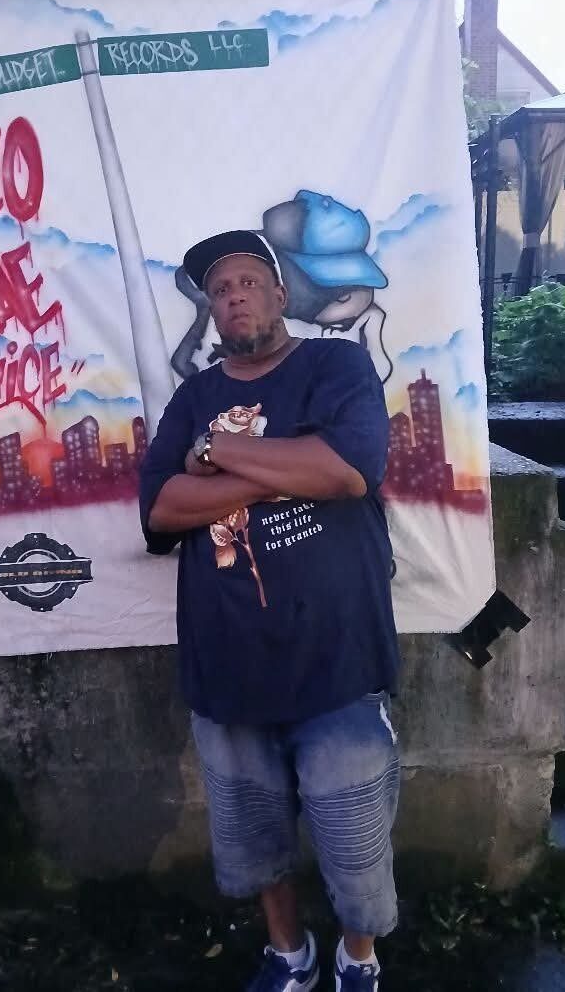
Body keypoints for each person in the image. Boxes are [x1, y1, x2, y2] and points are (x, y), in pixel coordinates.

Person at [139, 229, 400, 992]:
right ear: (211, 309)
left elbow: (349, 468)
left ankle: (358, 959)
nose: (235, 297)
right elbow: (160, 510)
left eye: (250, 282)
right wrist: (286, 466)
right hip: (228, 665)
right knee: (252, 836)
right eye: (221, 290)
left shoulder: (334, 365)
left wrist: (217, 455)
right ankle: (291, 954)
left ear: (281, 295)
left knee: (355, 837)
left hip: (338, 659)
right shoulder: (193, 398)